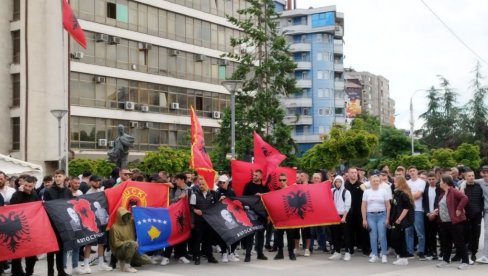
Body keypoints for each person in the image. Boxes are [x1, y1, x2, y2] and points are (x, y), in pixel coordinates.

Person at [434, 175, 469, 270]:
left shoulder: (453, 191)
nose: (439, 183)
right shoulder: (442, 193)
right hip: (444, 222)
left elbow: (464, 198)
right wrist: (437, 210)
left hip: (455, 222)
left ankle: (465, 261)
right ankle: (446, 260)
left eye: (441, 181)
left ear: (445, 182)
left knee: (459, 242)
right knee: (446, 242)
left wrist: (459, 208)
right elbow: (444, 205)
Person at [44, 170, 72, 276]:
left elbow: (69, 206)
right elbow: (46, 207)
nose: (57, 178)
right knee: (51, 249)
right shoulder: (48, 191)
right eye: (56, 176)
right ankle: (50, 272)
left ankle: (61, 271)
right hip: (51, 223)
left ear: (64, 177)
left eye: (59, 176)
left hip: (63, 223)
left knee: (61, 248)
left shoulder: (67, 191)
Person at [10, 176, 39, 276]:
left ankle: (29, 272)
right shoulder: (17, 194)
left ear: (33, 186)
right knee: (17, 252)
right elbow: (11, 206)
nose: (27, 188)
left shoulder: (35, 194)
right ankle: (16, 272)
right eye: (25, 185)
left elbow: (38, 208)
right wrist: (19, 193)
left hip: (31, 227)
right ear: (22, 184)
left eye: (30, 186)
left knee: (31, 253)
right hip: (17, 227)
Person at [83, 175, 113, 272]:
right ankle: (86, 265)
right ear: (90, 182)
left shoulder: (101, 192)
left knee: (101, 243)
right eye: (95, 181)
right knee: (89, 244)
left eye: (99, 181)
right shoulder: (87, 194)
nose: (97, 183)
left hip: (102, 222)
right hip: (92, 223)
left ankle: (101, 263)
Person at [161, 173, 191, 266]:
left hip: (185, 217)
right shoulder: (173, 189)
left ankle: (181, 255)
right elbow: (169, 201)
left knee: (183, 236)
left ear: (182, 180)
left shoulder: (190, 190)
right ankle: (166, 256)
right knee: (172, 235)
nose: (175, 181)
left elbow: (192, 203)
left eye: (177, 179)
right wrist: (179, 198)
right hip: (173, 216)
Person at [189, 176, 219, 265]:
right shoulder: (194, 194)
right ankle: (197, 257)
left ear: (207, 185)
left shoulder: (212, 194)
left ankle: (210, 256)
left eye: (203, 184)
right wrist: (195, 210)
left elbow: (215, 206)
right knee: (198, 239)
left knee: (208, 240)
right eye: (200, 184)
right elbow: (191, 206)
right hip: (199, 221)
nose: (201, 186)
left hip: (209, 221)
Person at [361, 175, 390, 263]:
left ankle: (384, 254)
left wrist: (387, 218)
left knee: (382, 236)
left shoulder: (384, 191)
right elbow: (363, 206)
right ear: (370, 181)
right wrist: (364, 219)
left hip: (382, 215)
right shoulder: (366, 192)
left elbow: (388, 206)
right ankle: (374, 254)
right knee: (373, 236)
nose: (376, 182)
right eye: (374, 181)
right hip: (370, 216)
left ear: (379, 181)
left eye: (377, 181)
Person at [242, 169, 269, 262]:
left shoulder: (265, 187)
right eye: (253, 175)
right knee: (250, 235)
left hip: (262, 214)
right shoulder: (248, 185)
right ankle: (248, 255)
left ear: (261, 176)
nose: (254, 177)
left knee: (261, 235)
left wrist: (263, 195)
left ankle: (260, 253)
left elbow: (269, 199)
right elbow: (244, 199)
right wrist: (254, 196)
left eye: (256, 175)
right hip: (251, 214)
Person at [344, 167, 369, 258]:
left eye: (355, 172)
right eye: (352, 172)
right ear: (348, 174)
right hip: (348, 212)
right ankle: (349, 249)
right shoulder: (345, 185)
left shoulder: (361, 185)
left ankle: (365, 249)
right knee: (348, 232)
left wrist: (365, 189)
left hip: (360, 211)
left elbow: (367, 196)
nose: (354, 174)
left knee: (363, 231)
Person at [460, 169, 483, 262]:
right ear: (465, 177)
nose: (471, 177)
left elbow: (482, 199)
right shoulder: (462, 188)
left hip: (477, 215)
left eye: (472, 175)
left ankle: (474, 253)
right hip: (466, 215)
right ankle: (465, 253)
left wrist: (480, 210)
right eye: (469, 176)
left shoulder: (479, 186)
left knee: (476, 234)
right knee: (466, 234)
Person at [390, 176, 414, 266]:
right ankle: (401, 256)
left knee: (396, 238)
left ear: (400, 182)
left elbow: (406, 208)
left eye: (395, 182)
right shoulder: (397, 193)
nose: (394, 183)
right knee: (397, 238)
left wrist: (399, 219)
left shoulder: (403, 194)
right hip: (395, 219)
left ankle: (403, 256)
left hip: (400, 220)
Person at [215, 174, 240, 262]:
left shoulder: (231, 192)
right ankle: (224, 253)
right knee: (223, 236)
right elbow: (214, 205)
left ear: (227, 183)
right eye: (220, 182)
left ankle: (232, 253)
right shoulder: (217, 192)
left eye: (223, 182)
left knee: (235, 234)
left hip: (231, 216)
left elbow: (236, 202)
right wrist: (219, 199)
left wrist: (228, 199)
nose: (221, 184)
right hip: (221, 217)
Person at [272, 173, 296, 261]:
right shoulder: (276, 191)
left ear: (287, 180)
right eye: (280, 180)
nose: (282, 182)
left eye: (284, 180)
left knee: (290, 236)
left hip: (290, 217)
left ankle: (291, 253)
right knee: (279, 235)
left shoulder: (291, 189)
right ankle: (280, 252)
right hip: (279, 217)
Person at [405, 166, 426, 260]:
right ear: (408, 173)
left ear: (417, 171)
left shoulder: (422, 182)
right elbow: (405, 196)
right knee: (408, 231)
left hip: (418, 209)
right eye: (410, 171)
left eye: (414, 170)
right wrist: (410, 196)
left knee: (420, 232)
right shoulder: (406, 183)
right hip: (408, 210)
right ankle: (409, 251)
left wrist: (410, 196)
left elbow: (418, 195)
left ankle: (421, 251)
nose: (412, 172)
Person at [109, 208, 138, 273]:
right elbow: (116, 244)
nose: (126, 217)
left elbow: (139, 219)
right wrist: (129, 242)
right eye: (124, 215)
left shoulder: (130, 223)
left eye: (127, 215)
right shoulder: (114, 227)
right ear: (120, 216)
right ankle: (127, 266)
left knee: (145, 260)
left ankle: (127, 262)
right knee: (131, 244)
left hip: (132, 248)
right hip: (119, 250)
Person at [329, 175, 351, 261]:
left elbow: (347, 205)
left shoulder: (346, 192)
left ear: (342, 182)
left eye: (339, 182)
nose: (337, 183)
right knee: (335, 235)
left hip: (344, 216)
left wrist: (344, 217)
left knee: (346, 235)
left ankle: (347, 252)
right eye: (336, 182)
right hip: (335, 216)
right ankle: (337, 252)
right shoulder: (332, 191)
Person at [422, 172, 441, 260]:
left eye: (433, 179)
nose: (431, 181)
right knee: (430, 235)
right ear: (427, 180)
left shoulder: (439, 189)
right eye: (429, 179)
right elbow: (424, 203)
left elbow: (439, 202)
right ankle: (432, 252)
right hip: (428, 215)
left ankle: (442, 252)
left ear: (436, 179)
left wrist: (435, 213)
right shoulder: (425, 190)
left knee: (440, 234)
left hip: (437, 215)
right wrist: (428, 213)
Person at [475, 165, 488, 264]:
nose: (486, 174)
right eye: (485, 172)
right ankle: (486, 256)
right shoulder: (481, 182)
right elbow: (467, 181)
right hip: (486, 211)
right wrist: (462, 187)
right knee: (487, 233)